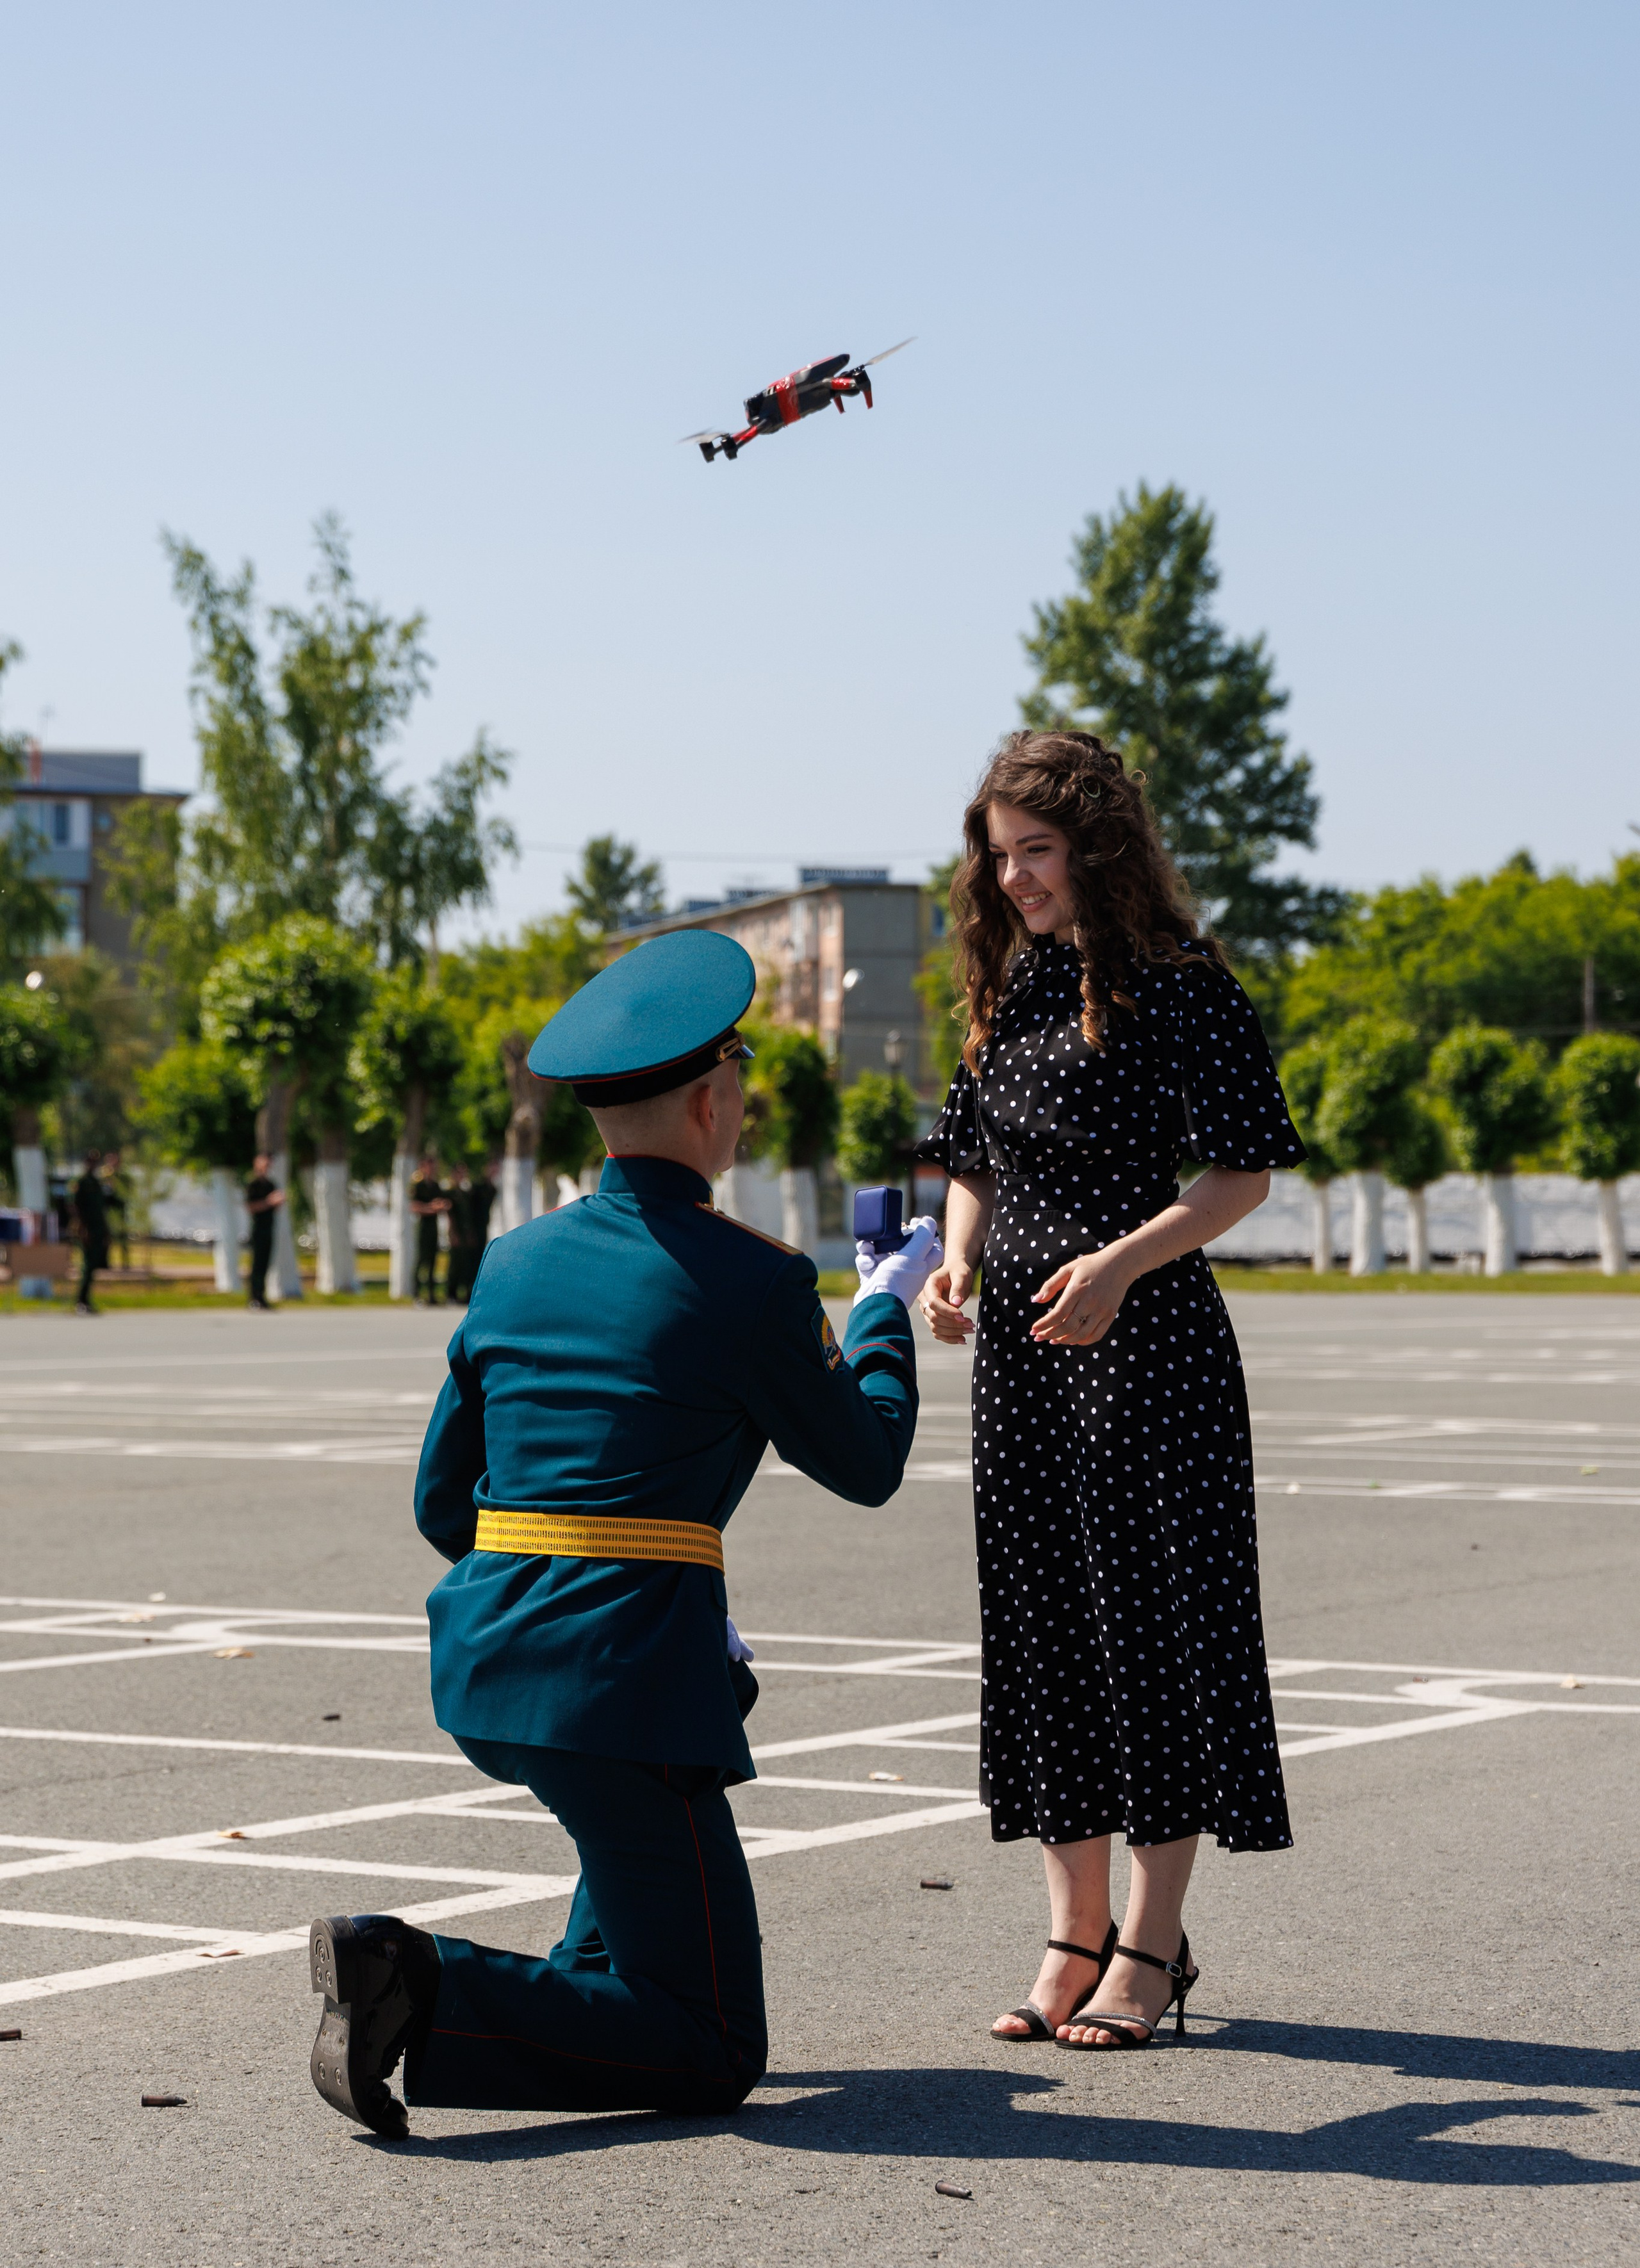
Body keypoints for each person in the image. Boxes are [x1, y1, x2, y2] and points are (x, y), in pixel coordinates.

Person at [306, 929, 942, 2138]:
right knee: (710, 2043)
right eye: (742, 1085)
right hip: (628, 1683)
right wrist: (880, 1310)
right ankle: (411, 1976)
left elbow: (448, 1503)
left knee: (631, 1904)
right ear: (713, 1098)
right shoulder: (752, 1277)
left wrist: (618, 1568)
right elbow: (865, 1463)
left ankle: (437, 2001)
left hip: (500, 1662)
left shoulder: (515, 1261)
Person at [917, 730, 1303, 2052]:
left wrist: (1119, 1265)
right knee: (1044, 1639)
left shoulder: (1185, 988)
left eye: (1034, 850)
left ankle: (1148, 1944)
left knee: (1154, 1634)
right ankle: (1067, 1930)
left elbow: (1238, 1174)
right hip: (1022, 1369)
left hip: (1151, 1364)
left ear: (1096, 846)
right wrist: (956, 1264)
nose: (1012, 876)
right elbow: (971, 1156)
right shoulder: (1015, 987)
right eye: (997, 853)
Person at [445, 1161, 495, 1307]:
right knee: (455, 1263)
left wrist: (470, 1233)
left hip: (466, 1232)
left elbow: (470, 1216)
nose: (462, 1175)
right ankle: (451, 1293)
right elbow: (450, 1216)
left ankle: (466, 1292)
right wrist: (452, 1233)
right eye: (459, 1172)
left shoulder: (467, 1193)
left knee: (467, 1264)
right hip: (456, 1232)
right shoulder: (450, 1192)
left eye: (464, 1172)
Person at [71, 1150, 110, 1316]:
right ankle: (81, 1301)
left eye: (95, 1162)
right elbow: (75, 1207)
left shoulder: (97, 1182)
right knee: (87, 1266)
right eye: (90, 1161)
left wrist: (106, 1230)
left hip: (99, 1228)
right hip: (87, 1229)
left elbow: (101, 1209)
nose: (93, 1164)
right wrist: (82, 1228)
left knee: (94, 1266)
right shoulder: (81, 1182)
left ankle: (86, 1300)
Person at [244, 1153, 284, 1310]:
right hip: (258, 1229)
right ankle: (254, 1298)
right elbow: (251, 1207)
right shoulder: (253, 1184)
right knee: (257, 1265)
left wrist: (279, 1202)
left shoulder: (270, 1185)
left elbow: (275, 1208)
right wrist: (269, 1202)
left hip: (269, 1228)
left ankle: (262, 1296)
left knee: (266, 1264)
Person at [407, 1154, 449, 1305]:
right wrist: (432, 1208)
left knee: (433, 1261)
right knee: (422, 1261)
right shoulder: (418, 1185)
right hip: (423, 1226)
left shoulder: (436, 1186)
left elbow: (444, 1203)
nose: (432, 1169)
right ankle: (417, 1294)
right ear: (423, 1167)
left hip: (434, 1227)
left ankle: (432, 1295)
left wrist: (442, 1205)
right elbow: (414, 1207)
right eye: (429, 1166)